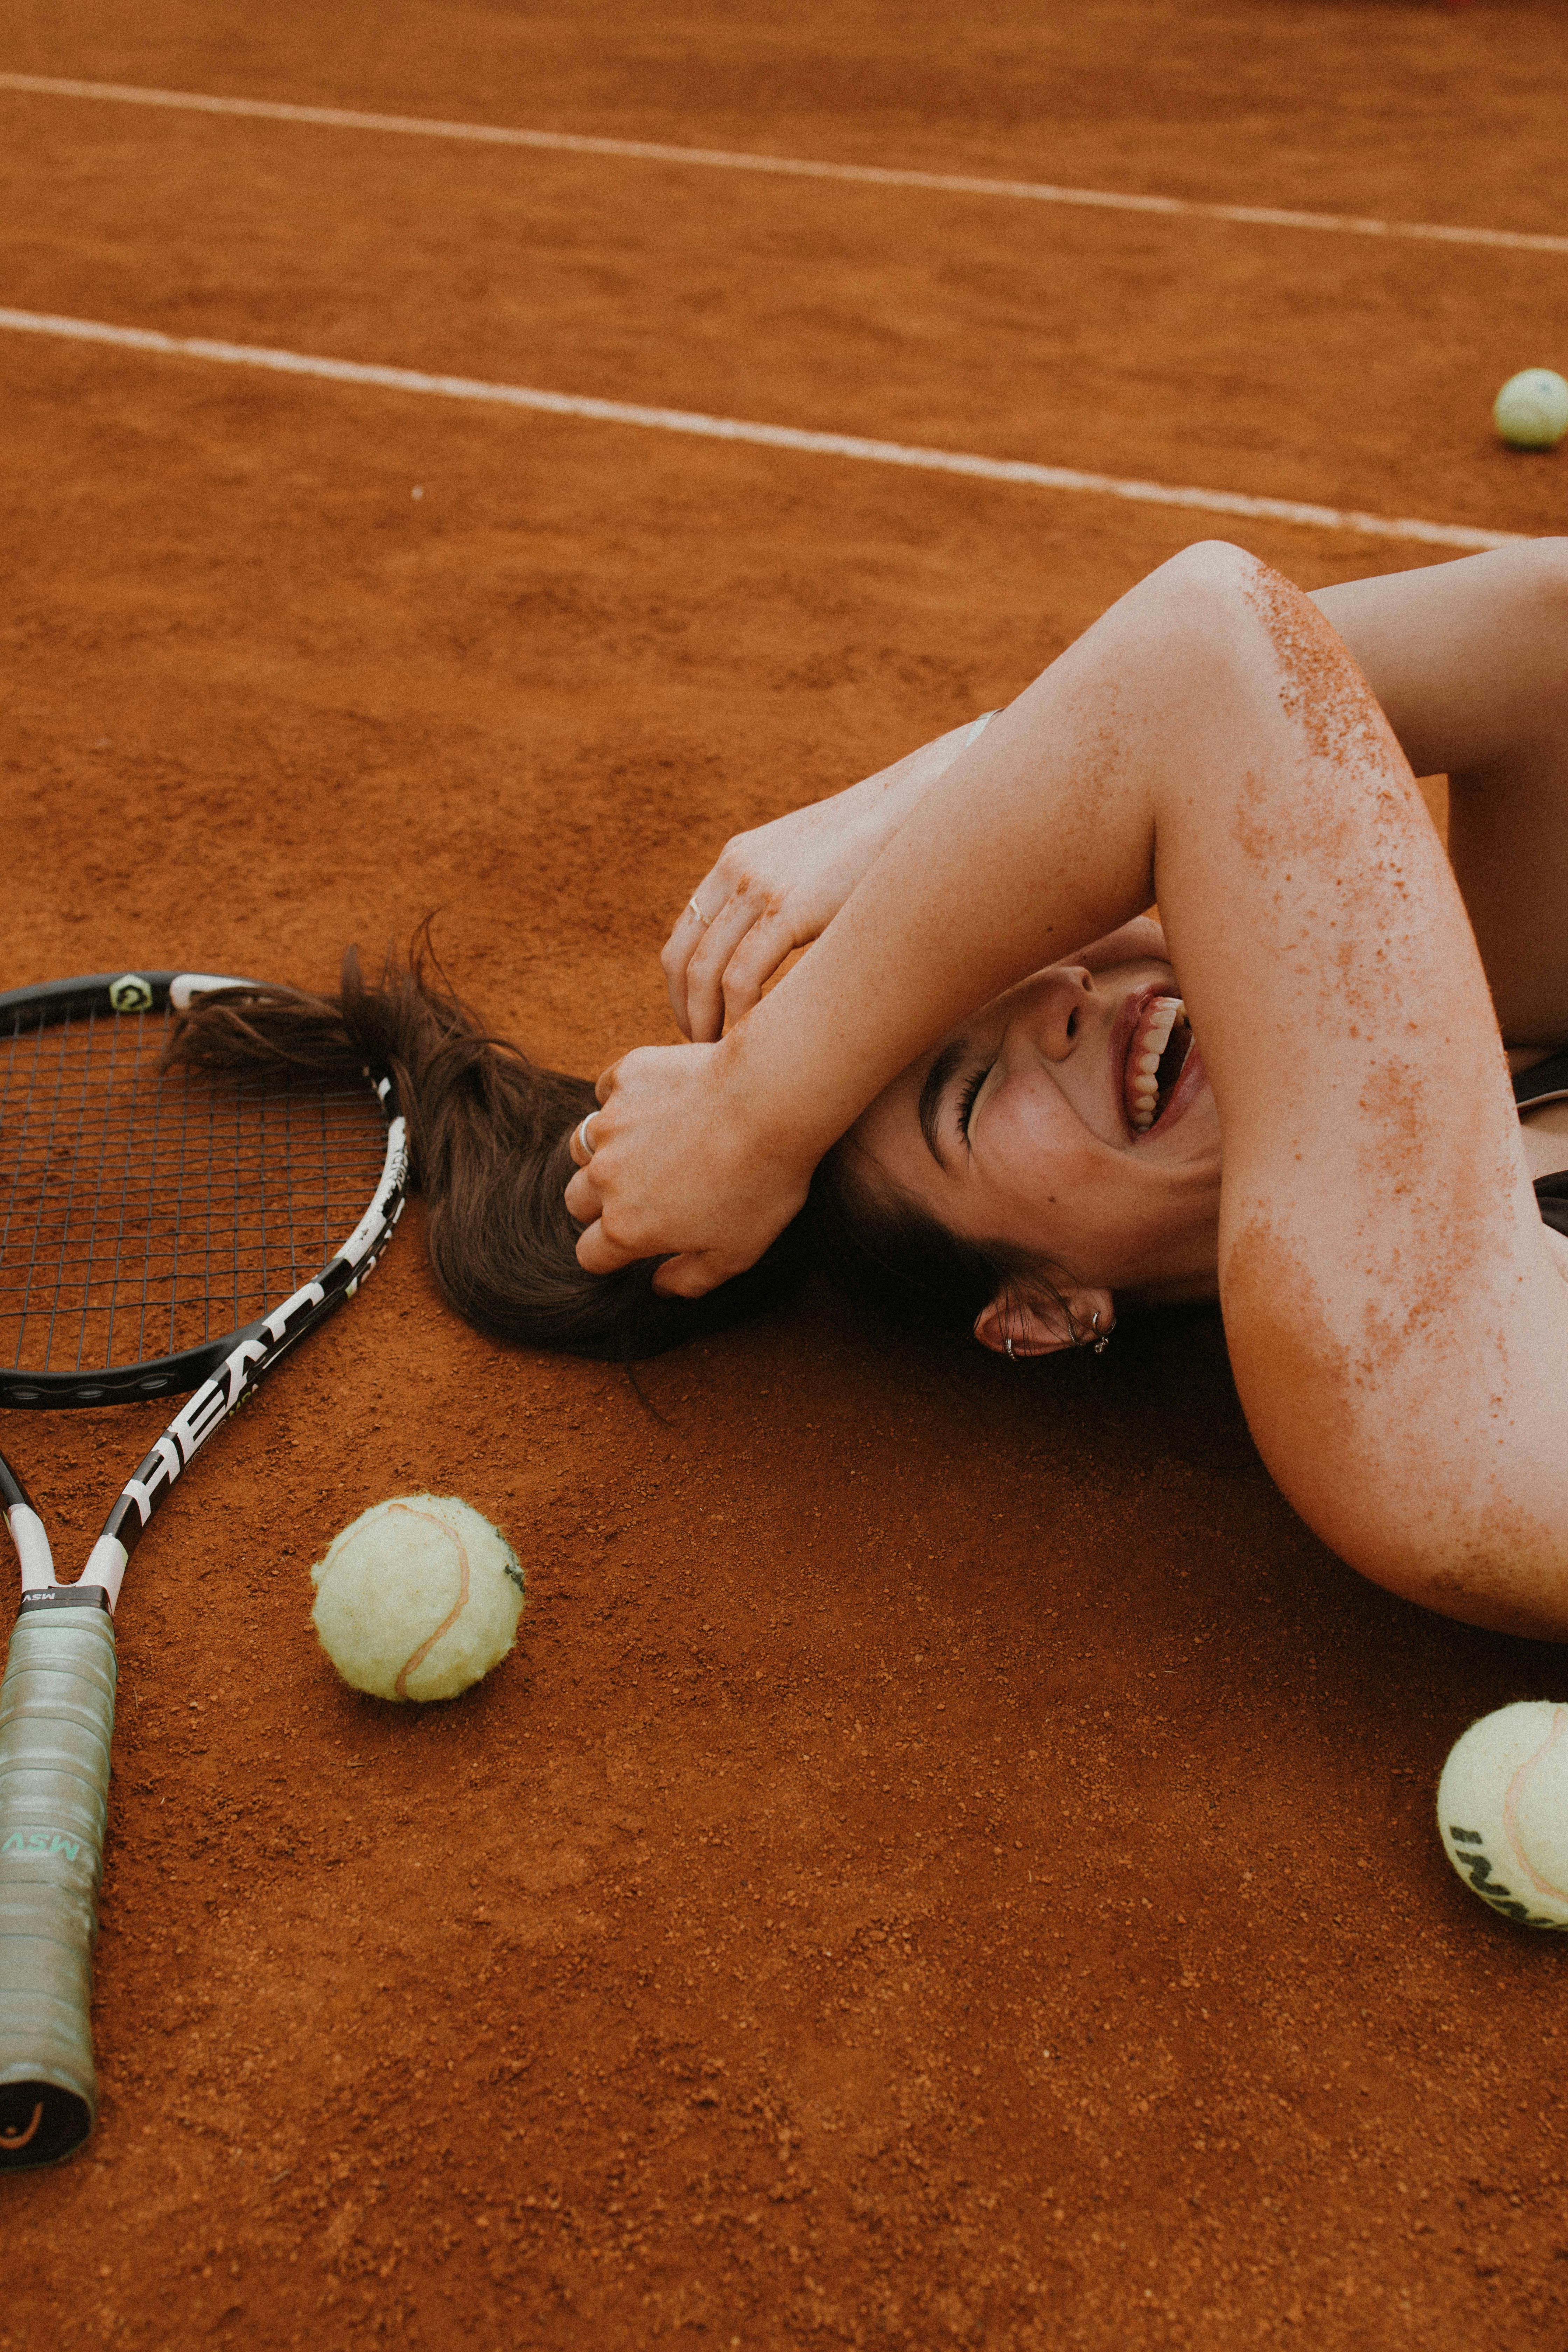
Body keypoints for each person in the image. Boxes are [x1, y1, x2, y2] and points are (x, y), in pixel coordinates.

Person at [175, 542, 1568, 1637]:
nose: (1054, 996)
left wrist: (935, 807)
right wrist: (754, 1115)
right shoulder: (1406, 1383)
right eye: (965, 1089)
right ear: (1040, 1316)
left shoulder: (1501, 1026)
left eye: (1013, 945)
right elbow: (1208, 653)